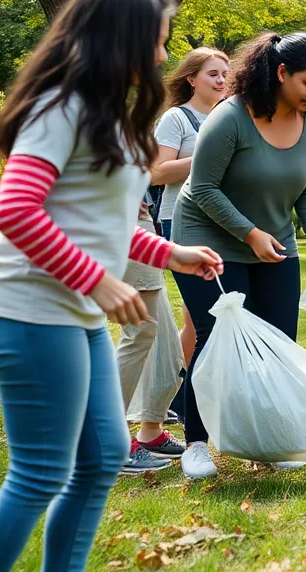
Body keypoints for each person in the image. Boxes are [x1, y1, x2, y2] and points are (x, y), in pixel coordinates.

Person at [0, 0, 223, 570]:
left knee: (104, 455)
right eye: (156, 41)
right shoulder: (61, 108)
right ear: (118, 38)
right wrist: (97, 279)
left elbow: (102, 224)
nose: (163, 55)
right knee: (38, 476)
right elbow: (15, 209)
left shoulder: (111, 116)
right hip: (26, 314)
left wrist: (168, 252)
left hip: (70, 317)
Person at [174, 32, 306, 479]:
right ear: (281, 73)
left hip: (272, 242)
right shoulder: (231, 117)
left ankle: (269, 439)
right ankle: (197, 443)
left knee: (277, 344)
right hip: (208, 240)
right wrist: (249, 234)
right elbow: (202, 188)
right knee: (216, 339)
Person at [149, 47, 229, 425]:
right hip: (180, 221)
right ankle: (180, 397)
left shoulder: (232, 117)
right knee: (199, 318)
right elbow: (157, 172)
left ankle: (188, 396)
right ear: (191, 78)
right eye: (213, 73)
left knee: (204, 316)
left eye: (225, 73)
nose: (221, 80)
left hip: (223, 223)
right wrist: (208, 157)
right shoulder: (176, 119)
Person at [115, 200, 186, 473]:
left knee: (164, 339)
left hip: (137, 223)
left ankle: (151, 430)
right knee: (140, 333)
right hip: (121, 221)